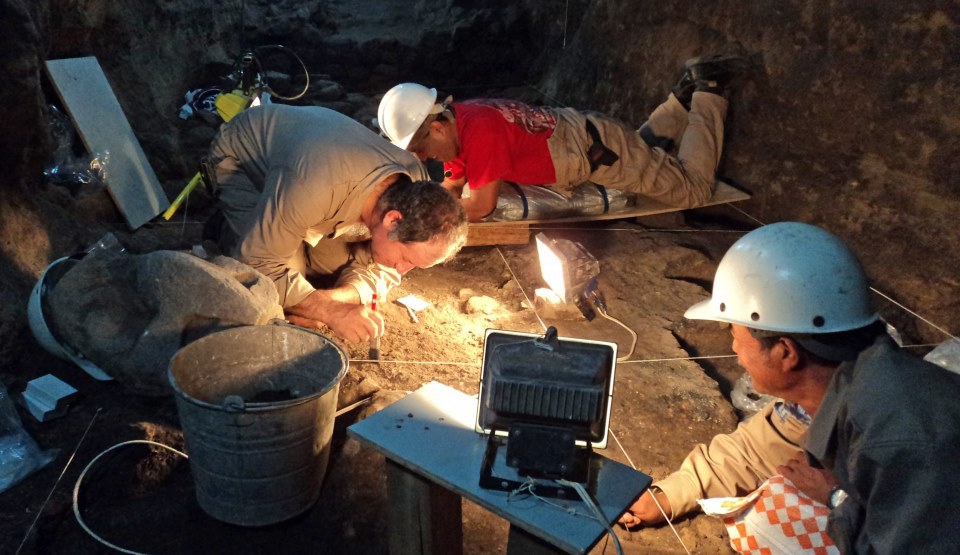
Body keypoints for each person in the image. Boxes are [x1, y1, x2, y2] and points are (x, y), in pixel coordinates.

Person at [624, 222, 960, 553]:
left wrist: (836, 498)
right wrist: (671, 494)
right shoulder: (829, 388)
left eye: (735, 335)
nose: (735, 349)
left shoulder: (903, 441)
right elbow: (756, 450)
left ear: (786, 352)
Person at [203, 103, 468, 343]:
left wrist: (324, 299)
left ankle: (290, 230)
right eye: (405, 259)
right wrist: (329, 310)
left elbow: (381, 273)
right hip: (245, 161)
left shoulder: (414, 182)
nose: (402, 270)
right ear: (392, 220)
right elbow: (258, 264)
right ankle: (227, 227)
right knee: (271, 293)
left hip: (312, 184)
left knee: (323, 274)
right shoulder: (315, 184)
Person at [376, 55, 747, 221]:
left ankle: (708, 89)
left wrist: (428, 222)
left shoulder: (481, 132)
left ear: (436, 126)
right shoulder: (459, 121)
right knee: (642, 152)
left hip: (599, 150)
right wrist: (428, 202)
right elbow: (454, 185)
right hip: (590, 137)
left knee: (694, 189)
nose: (424, 157)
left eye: (421, 148)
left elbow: (481, 206)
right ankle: (681, 101)